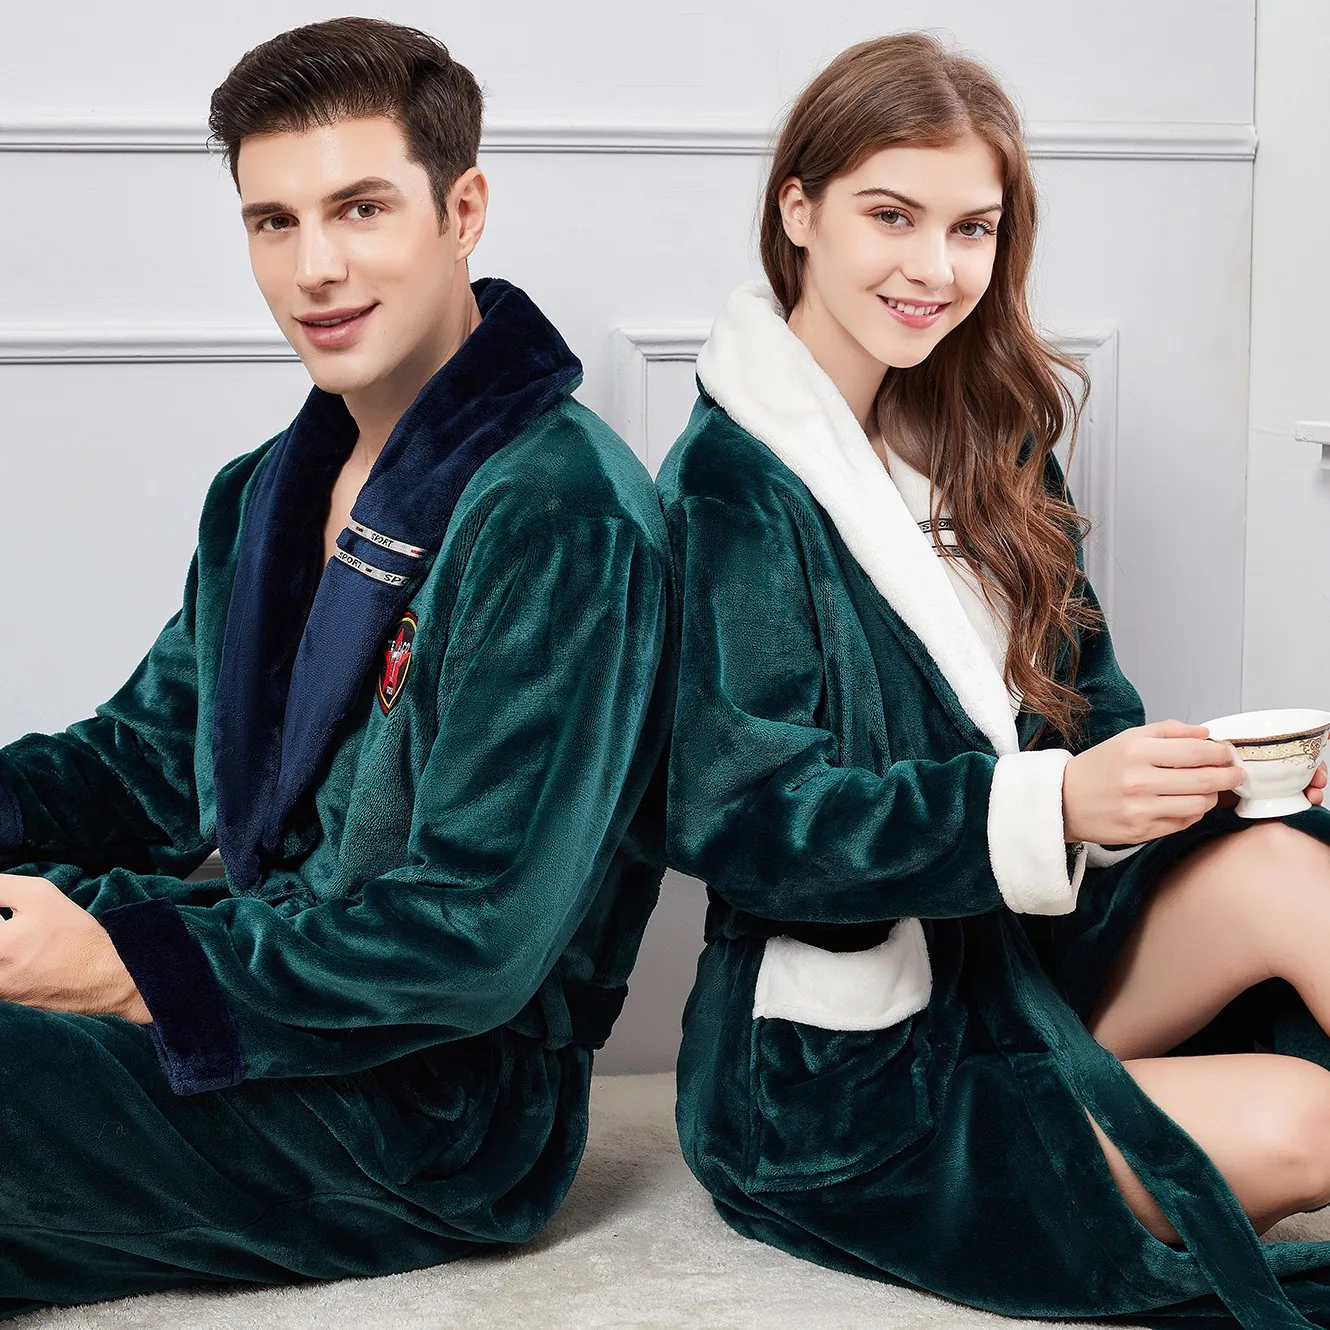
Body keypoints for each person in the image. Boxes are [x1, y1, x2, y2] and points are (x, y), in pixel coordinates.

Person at [0, 17, 671, 1318]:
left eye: (361, 208)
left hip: (440, 1107)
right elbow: (143, 766)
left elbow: (474, 942)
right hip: (261, 978)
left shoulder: (559, 515)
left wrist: (124, 969)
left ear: (461, 210)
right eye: (275, 222)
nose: (316, 268)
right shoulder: (261, 493)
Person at [659, 32, 1330, 1329]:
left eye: (970, 228)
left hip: (1030, 959)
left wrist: (1197, 783)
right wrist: (1051, 806)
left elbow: (1090, 708)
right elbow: (748, 827)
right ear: (798, 210)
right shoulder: (730, 488)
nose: (934, 267)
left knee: (1286, 866)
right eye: (890, 215)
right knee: (1306, 1123)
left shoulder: (990, 436)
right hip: (854, 1066)